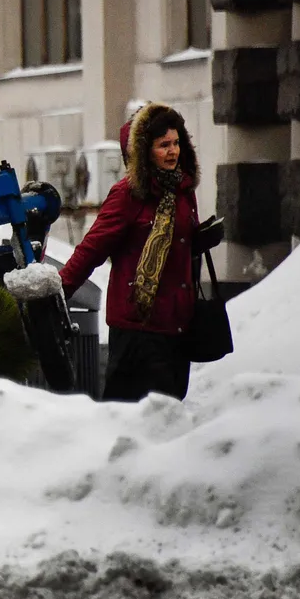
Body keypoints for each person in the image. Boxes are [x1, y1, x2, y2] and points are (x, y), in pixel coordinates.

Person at [59, 102, 204, 402]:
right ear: (143, 151)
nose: (173, 152)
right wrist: (57, 293)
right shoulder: (127, 195)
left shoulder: (183, 192)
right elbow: (91, 248)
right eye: (164, 145)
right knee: (130, 423)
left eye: (176, 143)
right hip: (137, 331)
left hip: (177, 329)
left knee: (169, 420)